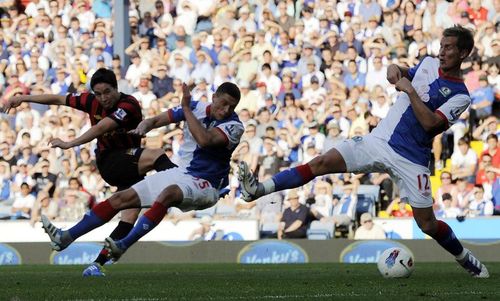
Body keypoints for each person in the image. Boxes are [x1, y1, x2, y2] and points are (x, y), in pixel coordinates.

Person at [239, 26, 489, 277]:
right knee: (321, 162)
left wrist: (409, 90)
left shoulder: (460, 96)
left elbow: (431, 124)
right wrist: (395, 70)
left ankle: (464, 258)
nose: (442, 52)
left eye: (449, 48)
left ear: (464, 53)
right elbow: (403, 72)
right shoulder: (428, 63)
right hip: (378, 141)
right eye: (442, 45)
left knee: (427, 224)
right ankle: (258, 189)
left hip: (412, 160)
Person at [40, 82, 243, 263]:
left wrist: (186, 109)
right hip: (181, 174)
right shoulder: (196, 108)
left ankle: (123, 245)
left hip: (206, 184)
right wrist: (143, 126)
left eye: (231, 107)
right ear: (214, 96)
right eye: (223, 103)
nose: (225, 110)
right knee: (121, 198)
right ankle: (65, 237)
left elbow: (204, 140)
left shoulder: (234, 126)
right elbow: (155, 121)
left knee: (169, 193)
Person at [3, 68, 177, 277]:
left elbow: (102, 126)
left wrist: (71, 143)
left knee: (128, 217)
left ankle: (87, 256)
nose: (103, 98)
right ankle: (184, 188)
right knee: (157, 154)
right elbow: (57, 99)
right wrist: (23, 97)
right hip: (111, 160)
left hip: (130, 164)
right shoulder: (89, 101)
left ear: (116, 88)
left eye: (107, 92)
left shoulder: (128, 105)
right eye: (98, 93)